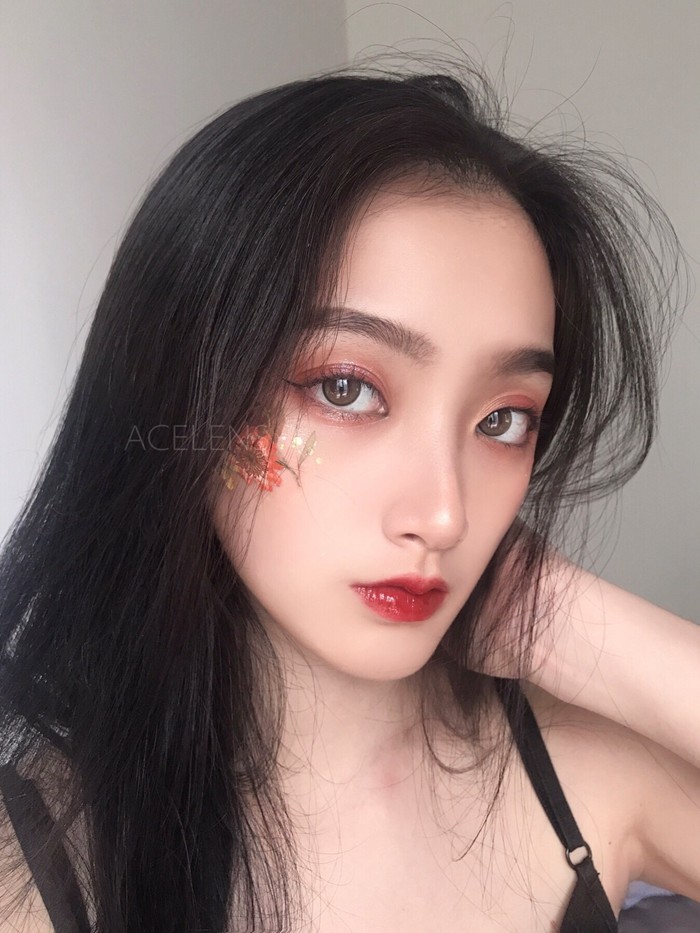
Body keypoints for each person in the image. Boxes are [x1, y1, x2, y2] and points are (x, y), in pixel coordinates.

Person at [0, 60, 698, 933]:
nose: (445, 515)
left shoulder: (579, 766)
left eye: (504, 419)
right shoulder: (37, 862)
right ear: (183, 391)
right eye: (345, 388)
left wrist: (565, 617)